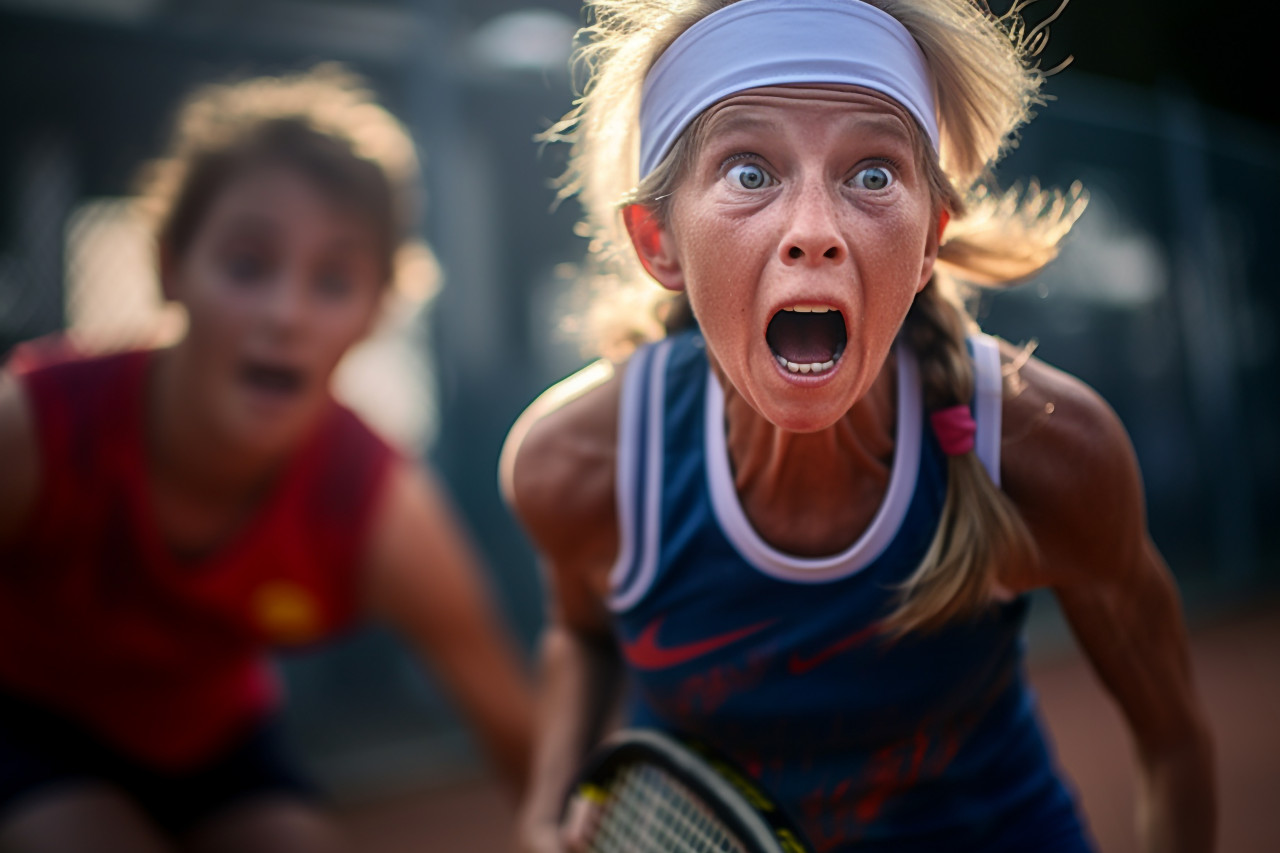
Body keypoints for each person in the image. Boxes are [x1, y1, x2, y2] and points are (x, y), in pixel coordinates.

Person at [499, 1, 1216, 851]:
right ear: (660, 240)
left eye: (872, 173)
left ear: (927, 244)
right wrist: (547, 809)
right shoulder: (577, 465)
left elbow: (1173, 744)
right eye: (749, 171)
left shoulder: (1047, 452)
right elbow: (581, 631)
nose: (814, 232)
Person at [0, 65, 533, 853]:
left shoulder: (380, 504)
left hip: (218, 744)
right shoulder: (29, 429)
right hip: (27, 718)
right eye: (248, 265)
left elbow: (515, 726)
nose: (286, 314)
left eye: (334, 278)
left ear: (375, 311)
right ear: (170, 266)